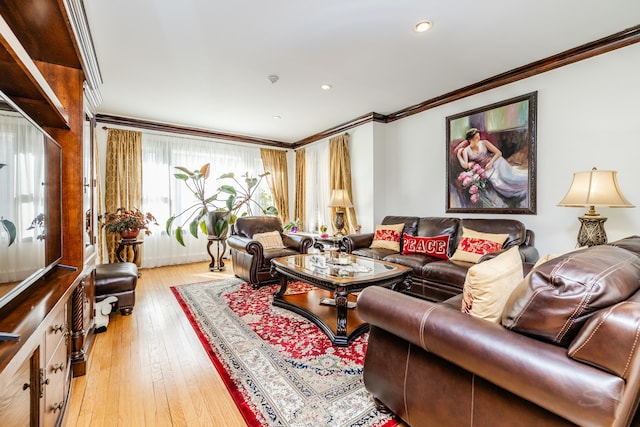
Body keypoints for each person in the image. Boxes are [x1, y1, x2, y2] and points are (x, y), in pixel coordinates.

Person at [456, 128, 528, 201]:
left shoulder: (484, 143)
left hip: (494, 161)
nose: (478, 139)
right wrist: (459, 155)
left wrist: (491, 162)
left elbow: (499, 153)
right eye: (476, 137)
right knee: (497, 182)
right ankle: (515, 194)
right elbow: (465, 165)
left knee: (507, 177)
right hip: (484, 168)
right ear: (470, 139)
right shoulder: (466, 150)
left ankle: (521, 187)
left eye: (479, 136)